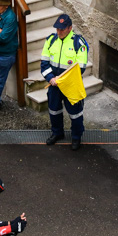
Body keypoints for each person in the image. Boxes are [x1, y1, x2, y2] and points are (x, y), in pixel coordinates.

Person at [40, 14, 89, 151]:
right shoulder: (50, 40)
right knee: (54, 110)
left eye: (62, 29)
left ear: (70, 28)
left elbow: (80, 68)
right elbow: (44, 63)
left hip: (71, 85)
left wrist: (61, 80)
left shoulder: (79, 43)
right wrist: (50, 78)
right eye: (57, 29)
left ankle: (76, 137)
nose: (59, 32)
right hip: (54, 85)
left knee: (75, 113)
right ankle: (57, 133)